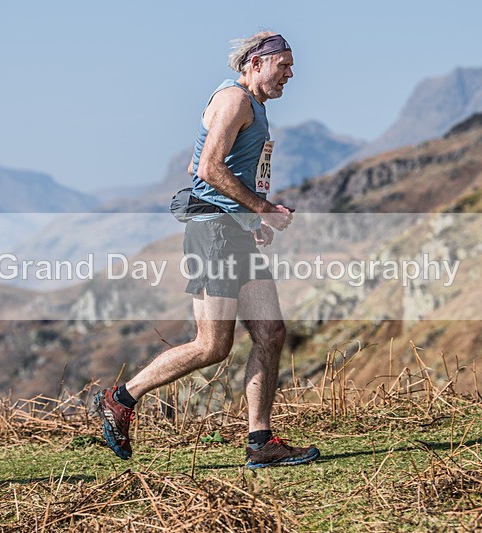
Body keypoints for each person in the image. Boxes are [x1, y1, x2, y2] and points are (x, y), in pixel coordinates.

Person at [93, 31, 320, 468]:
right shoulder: (235, 100)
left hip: (233, 231)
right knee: (212, 345)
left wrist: (251, 218)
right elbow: (207, 168)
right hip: (213, 234)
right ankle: (120, 399)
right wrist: (263, 209)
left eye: (292, 66)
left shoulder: (251, 106)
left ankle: (261, 442)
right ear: (255, 63)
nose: (291, 74)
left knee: (271, 333)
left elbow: (199, 163)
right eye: (284, 65)